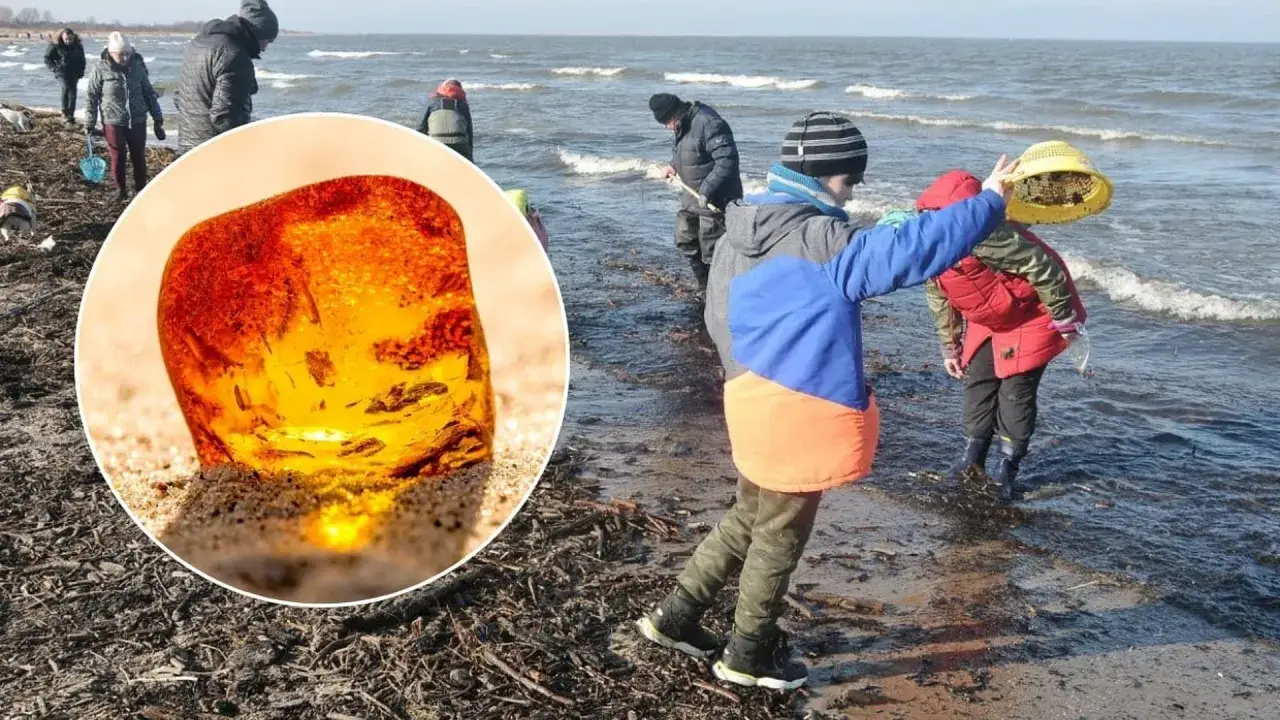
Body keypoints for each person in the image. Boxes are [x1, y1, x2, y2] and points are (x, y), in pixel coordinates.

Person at [635, 112, 1021, 691]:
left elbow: (719, 316)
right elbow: (913, 252)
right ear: (825, 175)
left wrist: (745, 376)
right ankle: (749, 654)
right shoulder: (825, 243)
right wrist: (988, 202)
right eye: (849, 181)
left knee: (747, 517)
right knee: (779, 535)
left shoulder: (742, 226)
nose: (851, 193)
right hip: (798, 411)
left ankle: (674, 618)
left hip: (746, 398)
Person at [907, 170, 1087, 501]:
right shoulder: (928, 239)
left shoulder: (985, 236)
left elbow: (1043, 266)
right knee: (978, 381)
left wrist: (1063, 318)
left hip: (1034, 313)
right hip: (990, 314)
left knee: (1015, 392)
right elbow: (939, 295)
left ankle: (1007, 467)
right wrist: (950, 346)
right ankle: (971, 458)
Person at [648, 92, 743, 296]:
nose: (666, 127)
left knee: (712, 249)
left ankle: (719, 294)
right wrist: (673, 166)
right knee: (685, 239)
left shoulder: (709, 123)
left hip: (715, 201)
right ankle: (704, 287)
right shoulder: (682, 124)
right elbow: (686, 152)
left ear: (675, 113)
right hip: (691, 197)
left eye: (666, 122)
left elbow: (727, 161)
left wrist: (707, 190)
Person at [174, 0, 279, 153]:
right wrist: (250, 145)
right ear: (257, 33)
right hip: (213, 151)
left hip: (187, 147)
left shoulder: (197, 44)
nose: (266, 47)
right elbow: (223, 118)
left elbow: (179, 98)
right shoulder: (234, 55)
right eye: (268, 40)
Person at [85, 33, 164, 203]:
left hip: (137, 119)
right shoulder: (101, 68)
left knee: (138, 155)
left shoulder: (137, 67)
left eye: (128, 54)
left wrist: (158, 118)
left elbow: (148, 93)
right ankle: (120, 190)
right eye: (121, 55)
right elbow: (92, 96)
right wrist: (90, 122)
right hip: (113, 120)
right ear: (111, 53)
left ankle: (141, 190)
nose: (126, 58)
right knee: (118, 156)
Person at [417, 79, 474, 162]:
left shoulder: (432, 103)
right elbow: (469, 132)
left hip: (437, 143)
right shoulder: (463, 105)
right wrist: (470, 157)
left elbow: (422, 128)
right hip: (459, 143)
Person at [43, 28, 86, 125]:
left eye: (70, 39)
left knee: (73, 93)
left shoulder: (78, 46)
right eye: (66, 39)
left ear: (73, 37)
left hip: (74, 72)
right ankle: (64, 113)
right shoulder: (55, 45)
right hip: (60, 71)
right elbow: (47, 58)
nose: (68, 41)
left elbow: (82, 60)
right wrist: (54, 68)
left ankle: (71, 115)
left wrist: (81, 71)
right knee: (65, 87)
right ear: (61, 37)